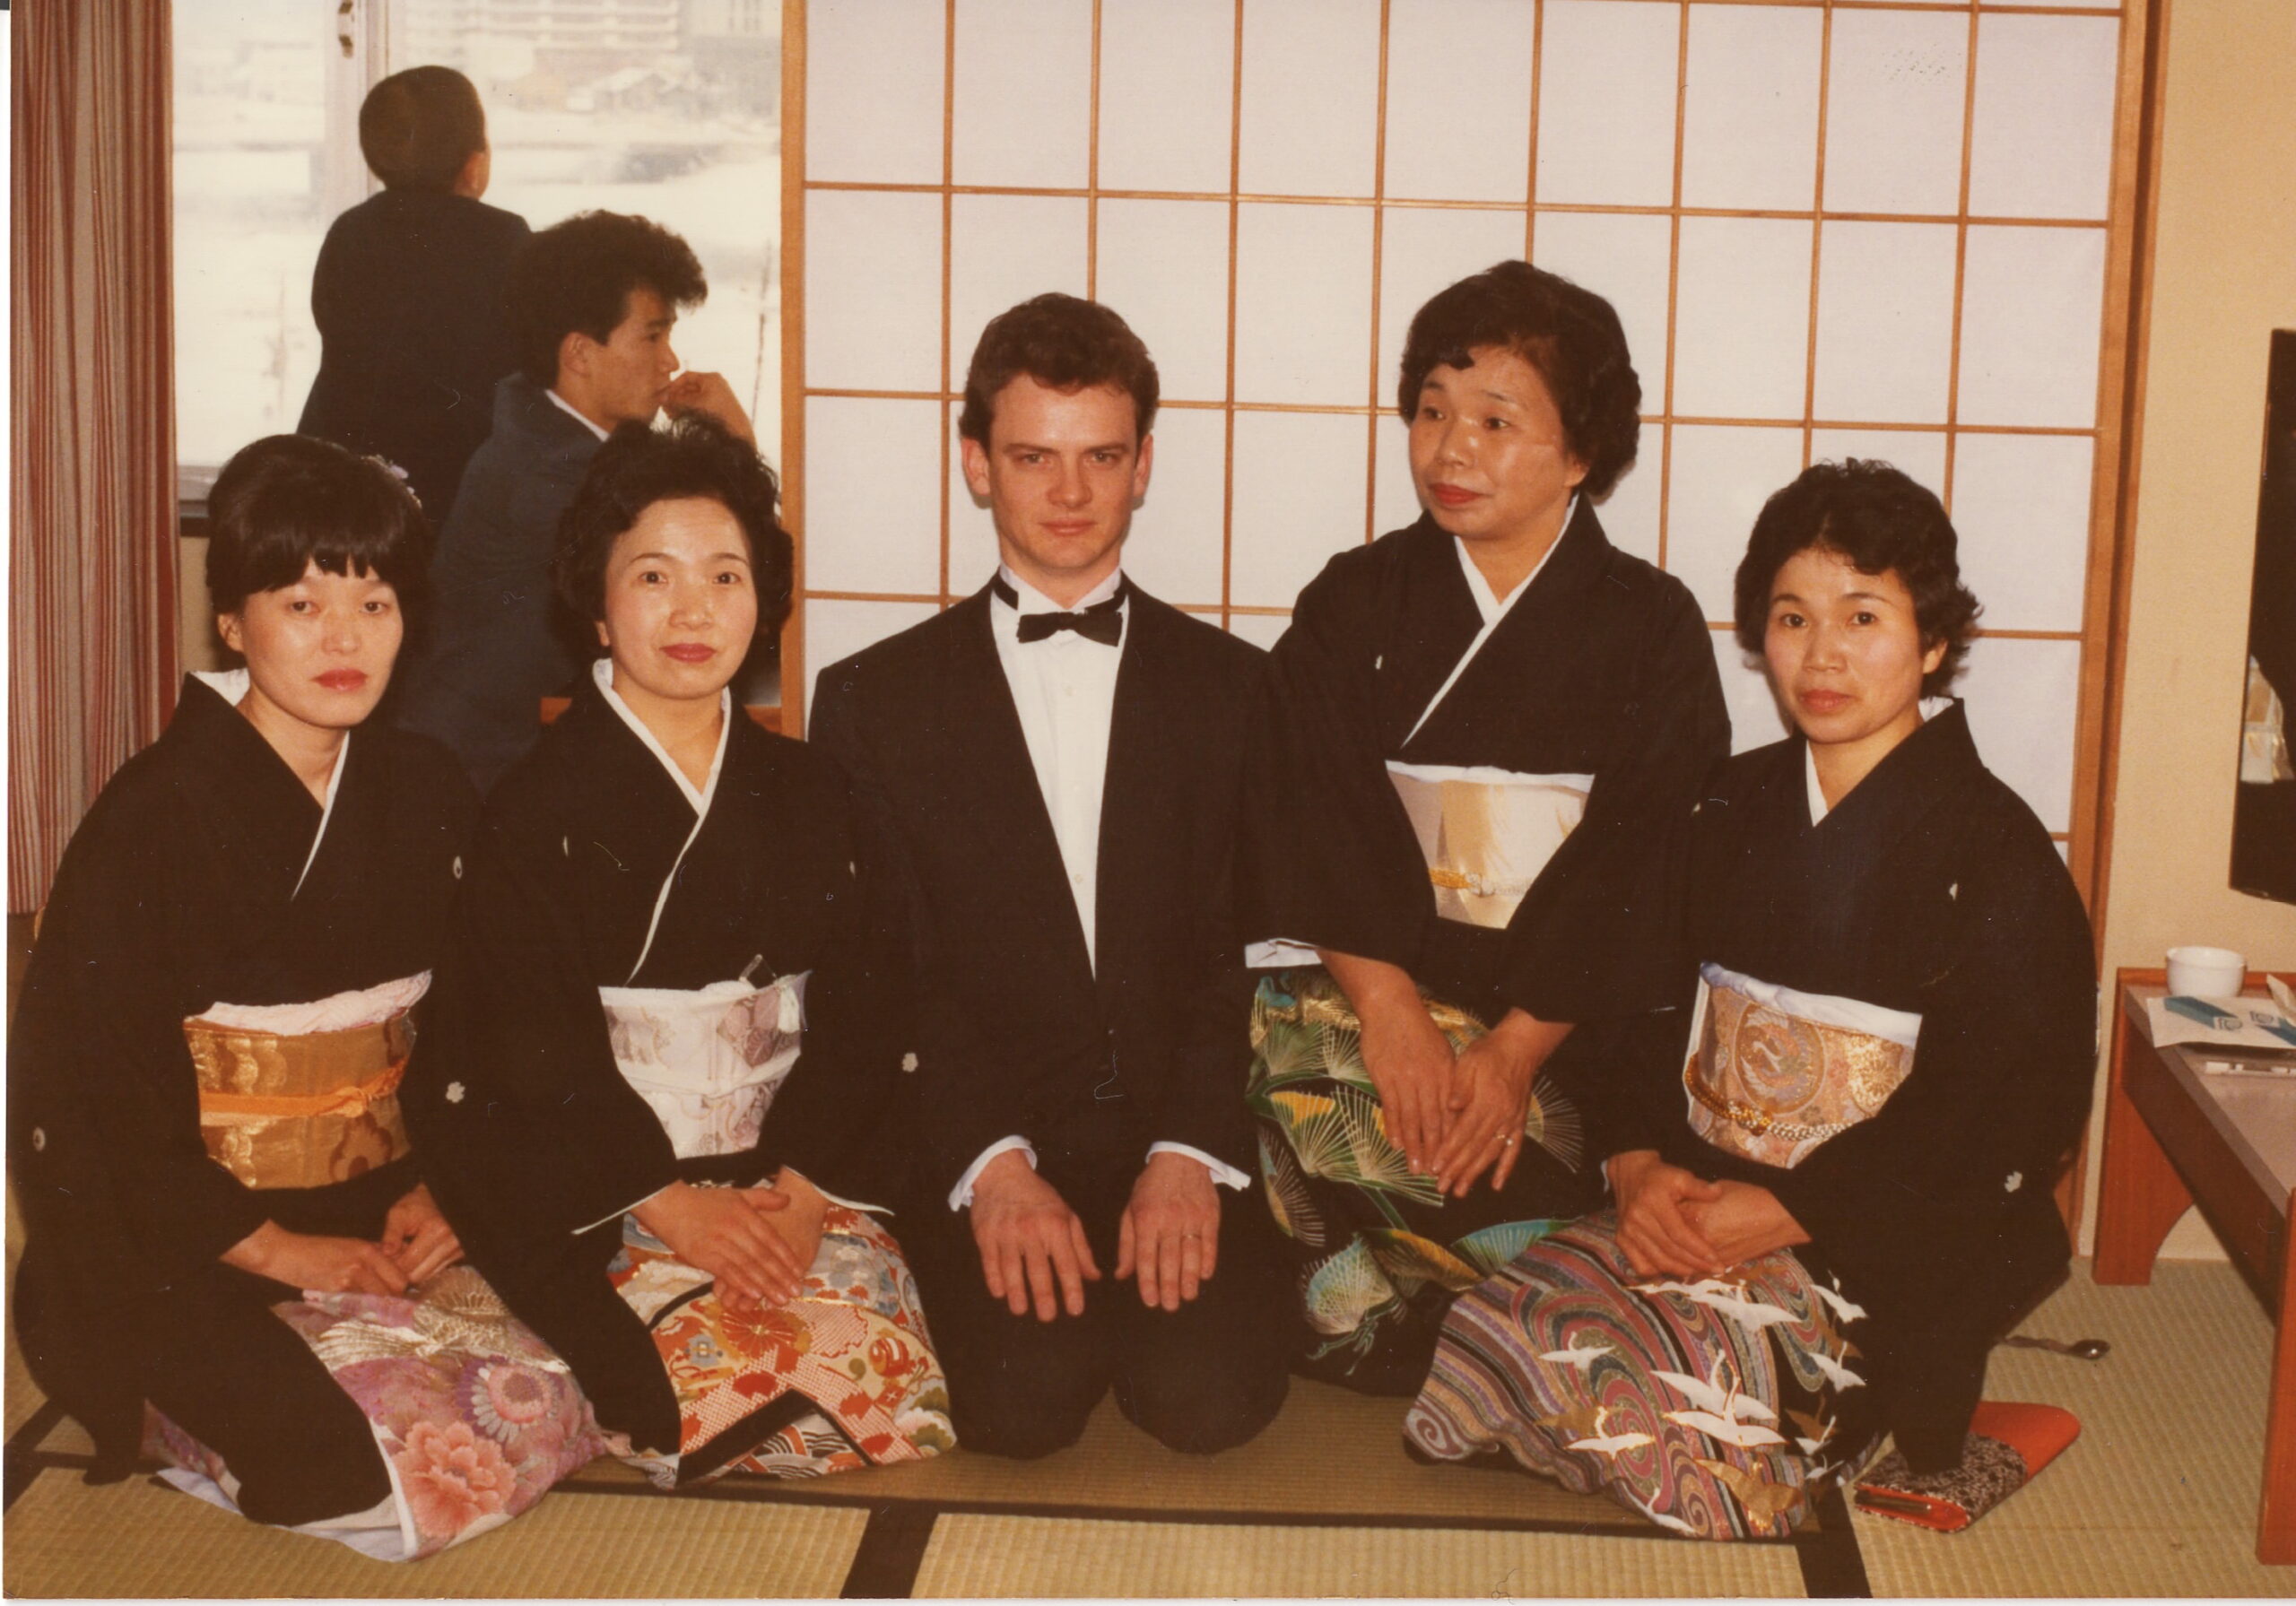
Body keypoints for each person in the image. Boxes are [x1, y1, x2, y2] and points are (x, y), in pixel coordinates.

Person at [1405, 460, 2098, 1540]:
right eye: (1791, 617)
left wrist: (1792, 1210)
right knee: (1494, 1330)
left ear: (1932, 643)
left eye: (1862, 617)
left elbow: (2005, 1102)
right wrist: (1636, 1166)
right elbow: (1635, 1001)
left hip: (1880, 1230)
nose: (1820, 655)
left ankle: (1845, 1404)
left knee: (1689, 1421)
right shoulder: (1723, 803)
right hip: (1699, 1189)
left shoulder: (1996, 854)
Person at [4, 436, 592, 1550]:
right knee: (346, 1477)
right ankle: (181, 1398)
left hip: (384, 1205)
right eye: (301, 601)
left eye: (374, 603)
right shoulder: (152, 818)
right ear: (231, 619)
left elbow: (487, 1022)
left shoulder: (424, 786)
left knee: (600, 1367)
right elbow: (92, 1094)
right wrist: (274, 1248)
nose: (343, 638)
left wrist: (453, 1192)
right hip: (183, 1231)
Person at [406, 418, 952, 1483]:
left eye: (724, 575)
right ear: (597, 606)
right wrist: (664, 1200)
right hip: (602, 1189)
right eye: (653, 575)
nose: (693, 609)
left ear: (762, 601)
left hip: (779, 1178)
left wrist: (800, 1190)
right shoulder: (530, 806)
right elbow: (523, 1037)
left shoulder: (814, 789)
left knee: (894, 1390)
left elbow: (871, 1002)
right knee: (677, 1395)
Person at [809, 293, 1296, 1459]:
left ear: (1143, 466)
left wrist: (1189, 1153)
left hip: (1183, 1135)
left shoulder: (1238, 690)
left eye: (1101, 457)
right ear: (976, 462)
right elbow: (880, 972)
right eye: (1034, 456)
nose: (1070, 493)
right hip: (986, 1137)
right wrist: (993, 1165)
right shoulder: (873, 699)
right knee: (1015, 1407)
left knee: (1206, 1401)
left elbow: (1261, 950)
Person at [1247, 260, 1731, 1393]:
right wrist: (1390, 1009)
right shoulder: (1355, 599)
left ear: (1580, 454)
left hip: (1565, 1026)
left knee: (1495, 1172)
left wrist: (1513, 1048)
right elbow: (1302, 806)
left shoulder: (1651, 627)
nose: (1449, 450)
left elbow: (1646, 861)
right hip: (1373, 996)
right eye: (1429, 411)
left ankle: (1434, 1324)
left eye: (1495, 421)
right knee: (1308, 1076)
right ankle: (1530, 1336)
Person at [393, 209, 754, 793]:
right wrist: (735, 444)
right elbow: (737, 570)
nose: (671, 361)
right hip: (482, 773)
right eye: (653, 335)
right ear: (581, 354)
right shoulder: (557, 471)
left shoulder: (541, 429)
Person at [297, 65, 532, 529]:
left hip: (342, 472)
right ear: (474, 164)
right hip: (460, 482)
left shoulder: (349, 232)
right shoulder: (505, 238)